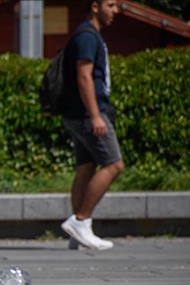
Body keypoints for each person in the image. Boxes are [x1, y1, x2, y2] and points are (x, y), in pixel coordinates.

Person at [59, 0, 124, 250]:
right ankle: (81, 221)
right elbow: (84, 76)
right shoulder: (87, 36)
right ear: (95, 6)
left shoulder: (86, 34)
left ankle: (77, 234)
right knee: (114, 164)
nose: (115, 11)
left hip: (78, 113)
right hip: (88, 113)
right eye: (110, 5)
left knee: (86, 169)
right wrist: (96, 115)